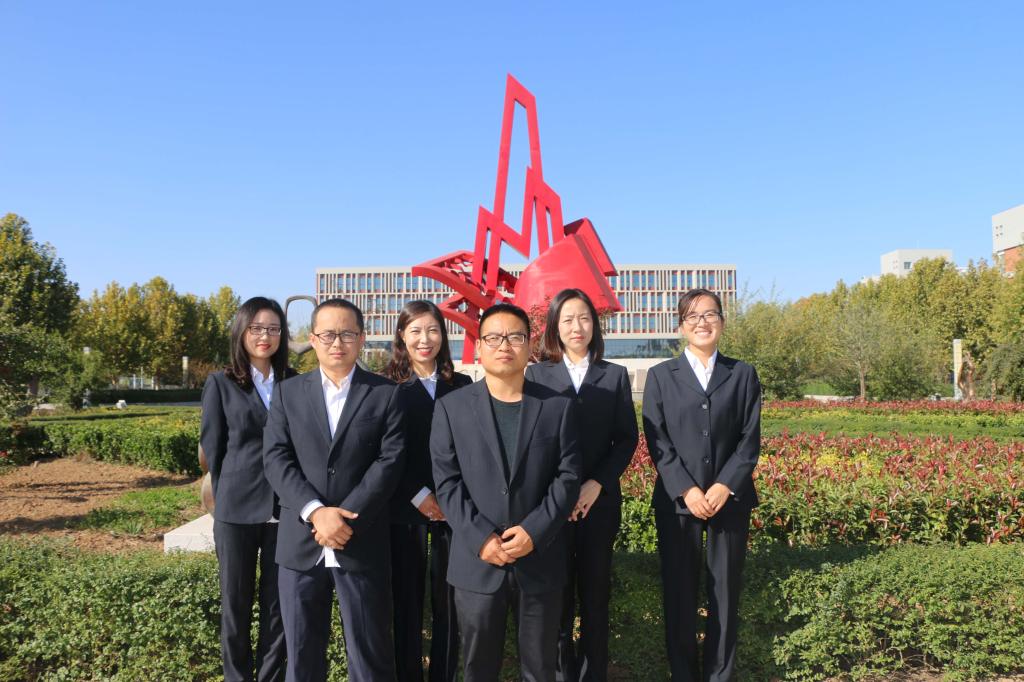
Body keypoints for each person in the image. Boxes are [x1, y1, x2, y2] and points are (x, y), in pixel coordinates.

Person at [430, 302, 581, 682]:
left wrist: (534, 531)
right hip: (477, 563)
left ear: (529, 345)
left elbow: (567, 477)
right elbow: (447, 482)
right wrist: (481, 538)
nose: (504, 346)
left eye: (514, 337)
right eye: (494, 338)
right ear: (479, 346)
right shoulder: (451, 408)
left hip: (540, 560)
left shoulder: (558, 407)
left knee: (542, 669)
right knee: (477, 668)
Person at [262, 298, 405, 682]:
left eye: (346, 334)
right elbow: (276, 458)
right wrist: (315, 511)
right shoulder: (288, 393)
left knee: (370, 659)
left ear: (361, 339)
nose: (337, 343)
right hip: (301, 543)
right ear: (312, 339)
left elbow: (390, 461)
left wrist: (344, 518)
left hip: (360, 540)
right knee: (301, 658)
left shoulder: (386, 393)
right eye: (327, 335)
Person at [642, 288, 761, 682]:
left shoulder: (743, 374)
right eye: (692, 316)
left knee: (725, 593)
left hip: (730, 500)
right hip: (678, 502)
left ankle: (719, 676)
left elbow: (749, 440)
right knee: (679, 593)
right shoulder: (661, 376)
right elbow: (657, 441)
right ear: (681, 326)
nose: (702, 323)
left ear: (722, 322)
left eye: (710, 315)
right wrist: (687, 489)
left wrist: (725, 485)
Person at [524, 289, 638, 682]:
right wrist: (562, 494)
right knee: (556, 598)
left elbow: (626, 439)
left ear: (595, 325)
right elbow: (533, 442)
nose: (577, 326)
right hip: (551, 506)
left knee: (595, 599)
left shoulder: (614, 375)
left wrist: (597, 484)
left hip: (598, 504)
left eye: (584, 318)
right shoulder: (537, 375)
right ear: (555, 326)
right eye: (568, 319)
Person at [201, 296, 292, 682]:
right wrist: (226, 498)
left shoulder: (293, 381)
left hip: (285, 509)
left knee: (278, 607)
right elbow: (213, 450)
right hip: (236, 511)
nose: (264, 336)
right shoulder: (220, 383)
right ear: (241, 331)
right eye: (256, 328)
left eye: (273, 328)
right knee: (235, 605)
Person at [383, 300, 472, 682]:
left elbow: (470, 450)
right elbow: (383, 453)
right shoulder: (384, 387)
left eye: (433, 330)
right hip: (403, 510)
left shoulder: (462, 386)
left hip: (453, 511)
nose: (425, 339)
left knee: (449, 604)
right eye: (416, 330)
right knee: (406, 603)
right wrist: (419, 495)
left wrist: (448, 497)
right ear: (402, 336)